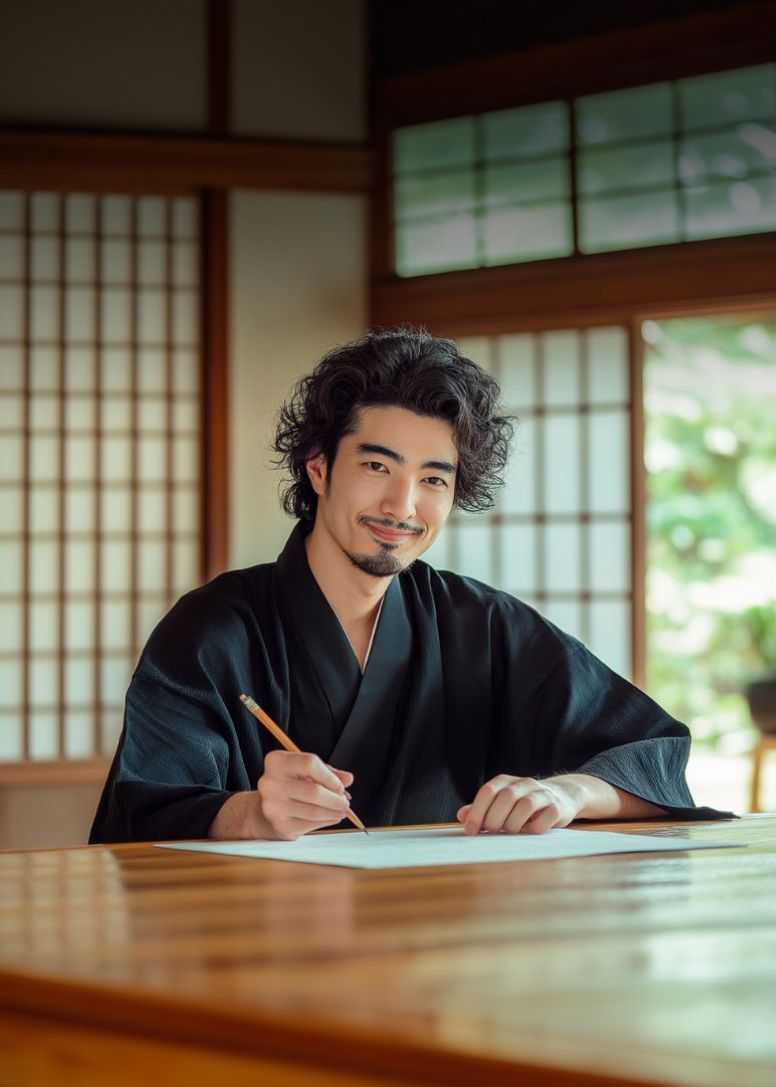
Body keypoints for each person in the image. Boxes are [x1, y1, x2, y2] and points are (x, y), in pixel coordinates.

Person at [90, 329, 728, 844]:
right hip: (250, 945)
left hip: (432, 944)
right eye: (376, 466)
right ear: (318, 468)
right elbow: (146, 810)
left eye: (433, 479)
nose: (402, 505)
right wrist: (255, 815)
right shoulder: (213, 628)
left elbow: (651, 754)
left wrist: (565, 793)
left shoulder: (482, 624)